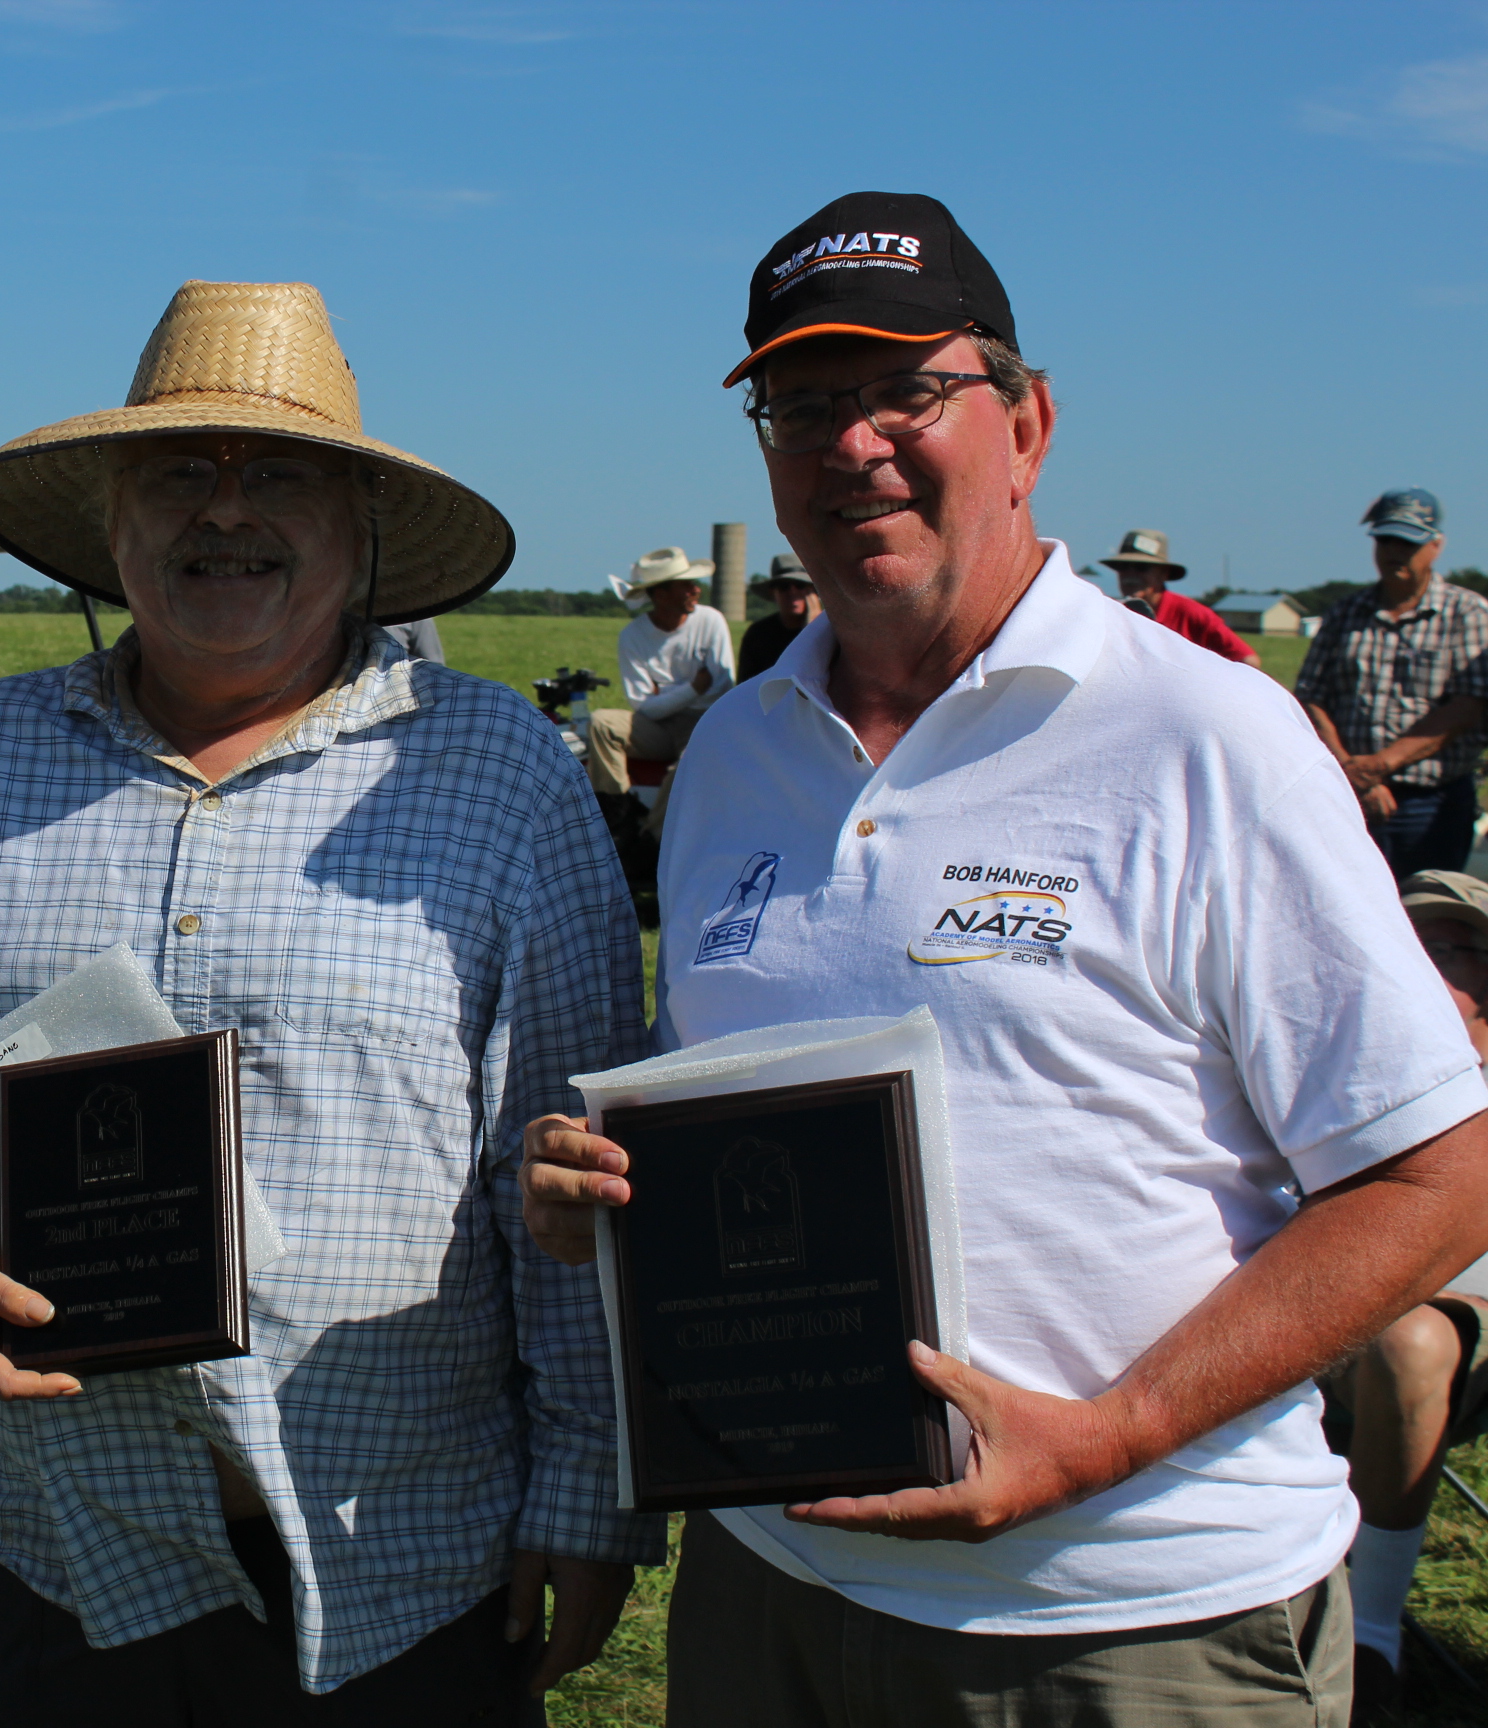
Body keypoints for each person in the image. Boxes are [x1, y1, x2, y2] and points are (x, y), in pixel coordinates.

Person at [520, 190, 1488, 1725]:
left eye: (907, 391)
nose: (852, 444)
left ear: (1026, 424)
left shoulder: (1206, 738)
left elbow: (1439, 1174)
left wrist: (1112, 1434)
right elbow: (725, 1105)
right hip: (770, 1588)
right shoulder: (735, 757)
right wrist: (607, 1192)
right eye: (803, 405)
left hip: (1128, 1621)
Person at [0, 279, 653, 1724]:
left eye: (282, 476)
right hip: (63, 1556)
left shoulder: (499, 773)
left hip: (402, 1565)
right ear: (113, 518)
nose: (226, 513)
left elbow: (562, 1157)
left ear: (362, 527)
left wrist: (585, 1486)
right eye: (180, 472)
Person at [1322, 868, 1488, 1723]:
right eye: (1418, 945)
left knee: (1409, 1343)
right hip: (1321, 1315)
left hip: (1450, 1324)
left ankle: (1372, 1636)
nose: (1433, 964)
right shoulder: (1334, 1067)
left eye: (1458, 948)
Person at [1296, 489, 1488, 876]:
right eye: (1385, 541)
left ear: (1436, 546)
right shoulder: (1346, 612)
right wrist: (1352, 772)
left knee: (1424, 904)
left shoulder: (1467, 613)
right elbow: (1310, 698)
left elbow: (1467, 706)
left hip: (1430, 800)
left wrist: (1379, 766)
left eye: (1407, 543)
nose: (1394, 552)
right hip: (1345, 791)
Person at [581, 546, 735, 800]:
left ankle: (653, 825)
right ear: (661, 595)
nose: (696, 590)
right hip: (656, 728)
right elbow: (644, 707)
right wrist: (693, 688)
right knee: (601, 722)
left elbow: (719, 688)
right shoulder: (632, 635)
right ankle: (615, 805)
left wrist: (662, 694)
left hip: (702, 722)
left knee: (687, 767)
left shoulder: (711, 621)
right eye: (686, 585)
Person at [1097, 529, 1261, 666]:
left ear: (1163, 573)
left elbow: (1248, 661)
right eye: (1123, 567)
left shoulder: (1192, 614)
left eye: (1141, 567)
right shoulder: (1110, 613)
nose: (1130, 574)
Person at [734, 552, 821, 683]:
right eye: (784, 586)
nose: (793, 592)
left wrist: (815, 628)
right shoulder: (758, 634)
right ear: (773, 593)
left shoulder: (832, 632)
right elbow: (745, 684)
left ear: (813, 591)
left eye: (800, 585)